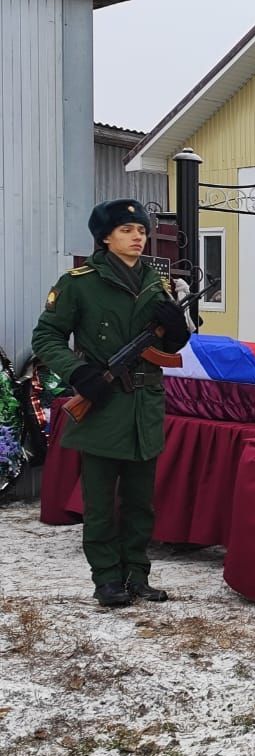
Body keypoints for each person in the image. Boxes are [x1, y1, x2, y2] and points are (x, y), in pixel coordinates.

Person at [31, 199, 191, 607]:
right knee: (100, 502)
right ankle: (106, 578)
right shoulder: (79, 282)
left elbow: (168, 344)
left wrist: (175, 335)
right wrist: (78, 373)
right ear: (105, 237)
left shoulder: (159, 283)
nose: (138, 236)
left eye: (141, 230)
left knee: (141, 502)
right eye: (126, 230)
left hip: (146, 403)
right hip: (102, 402)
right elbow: (46, 338)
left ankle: (137, 574)